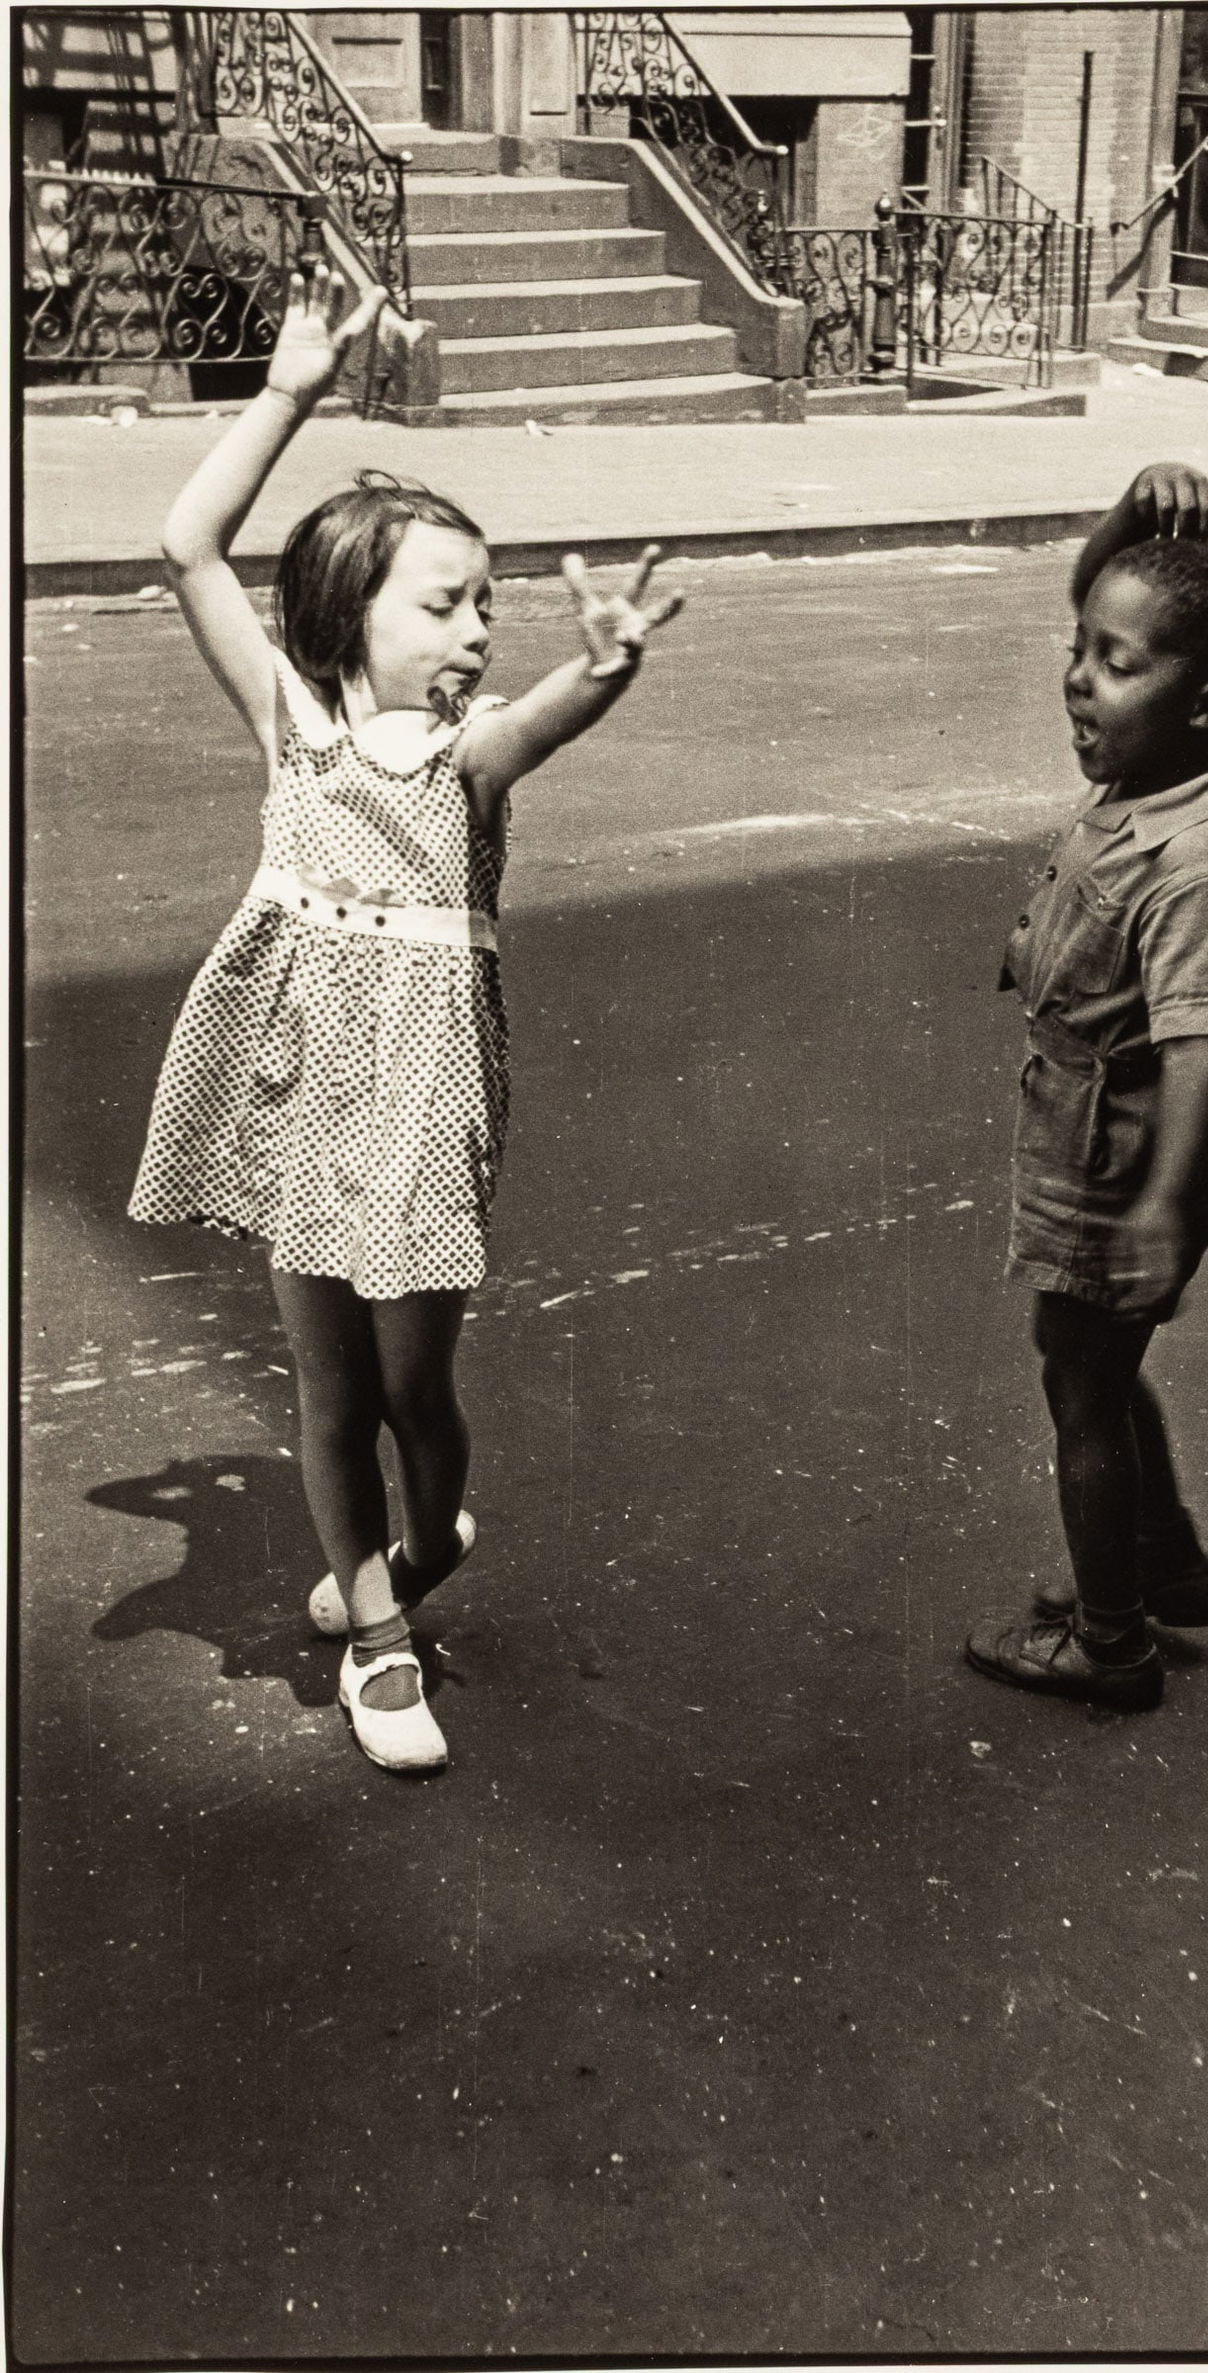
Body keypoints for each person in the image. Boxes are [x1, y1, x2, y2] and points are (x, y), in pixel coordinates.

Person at [130, 265, 682, 1773]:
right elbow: (187, 546)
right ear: (343, 617)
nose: (476, 630)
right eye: (443, 604)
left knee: (414, 1389)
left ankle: (425, 1541)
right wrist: (287, 391)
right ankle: (379, 1638)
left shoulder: (466, 762)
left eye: (486, 604)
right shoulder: (295, 732)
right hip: (302, 1093)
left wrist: (601, 666)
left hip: (423, 1101)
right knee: (326, 1390)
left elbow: (533, 723)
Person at [965, 464, 1208, 1714]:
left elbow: (1199, 1042)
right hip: (1089, 1129)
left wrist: (1158, 1204)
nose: (1079, 679)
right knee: (1089, 1356)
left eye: (1114, 664)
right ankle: (1163, 1560)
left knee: (1080, 1384)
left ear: (1202, 704)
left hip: (1117, 1153)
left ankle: (1110, 1642)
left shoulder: (1186, 858)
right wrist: (1130, 518)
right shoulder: (1160, 764)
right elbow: (1094, 591)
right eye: (1079, 653)